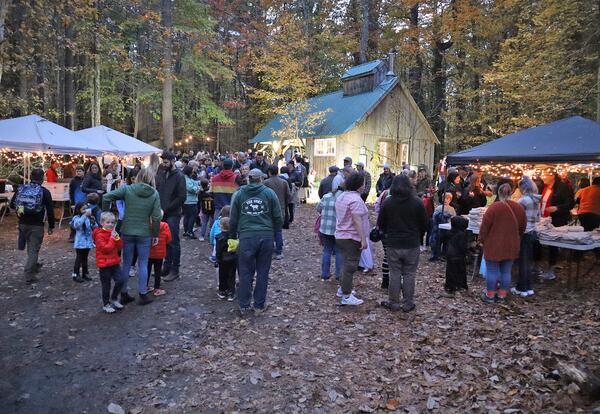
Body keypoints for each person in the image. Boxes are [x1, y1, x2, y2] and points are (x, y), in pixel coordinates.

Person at [102, 166, 162, 305]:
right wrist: (156, 234)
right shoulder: (154, 194)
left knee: (127, 263)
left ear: (139, 176)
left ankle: (123, 293)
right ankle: (142, 293)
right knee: (143, 263)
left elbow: (106, 197)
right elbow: (157, 217)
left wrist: (105, 217)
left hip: (127, 230)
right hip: (144, 232)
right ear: (151, 179)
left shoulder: (127, 189)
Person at [229, 169, 283, 316]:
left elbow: (232, 219)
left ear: (249, 179)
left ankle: (244, 305)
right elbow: (278, 216)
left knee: (245, 272)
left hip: (246, 237)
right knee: (263, 272)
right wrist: (275, 232)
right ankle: (259, 305)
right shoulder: (269, 194)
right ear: (260, 179)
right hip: (266, 236)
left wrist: (232, 236)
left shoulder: (239, 194)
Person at [377, 175, 428, 312]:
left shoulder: (388, 202)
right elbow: (424, 223)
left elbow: (380, 223)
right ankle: (408, 303)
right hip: (412, 242)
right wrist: (420, 236)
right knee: (409, 273)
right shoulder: (417, 202)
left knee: (395, 273)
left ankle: (393, 302)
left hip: (393, 243)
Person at [479, 183, 526, 304]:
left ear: (498, 193)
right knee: (506, 271)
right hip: (511, 244)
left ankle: (490, 295)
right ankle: (502, 295)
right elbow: (522, 227)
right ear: (511, 193)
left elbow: (485, 227)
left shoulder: (494, 208)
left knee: (492, 271)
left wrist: (481, 240)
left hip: (494, 244)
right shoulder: (519, 208)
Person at [11, 168, 55, 284]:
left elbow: (12, 205)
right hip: (36, 225)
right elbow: (50, 210)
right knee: (34, 249)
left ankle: (33, 266)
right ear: (42, 178)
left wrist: (22, 211)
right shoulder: (44, 191)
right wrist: (51, 226)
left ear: (31, 177)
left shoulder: (21, 189)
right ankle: (29, 275)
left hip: (22, 223)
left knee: (31, 248)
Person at [334, 172, 369, 305]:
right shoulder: (356, 200)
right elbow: (356, 220)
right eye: (364, 183)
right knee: (351, 266)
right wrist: (363, 239)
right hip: (351, 237)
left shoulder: (342, 196)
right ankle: (346, 296)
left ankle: (343, 289)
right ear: (360, 185)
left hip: (341, 235)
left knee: (345, 264)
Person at [155, 151, 186, 281]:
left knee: (173, 241)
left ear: (173, 161)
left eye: (166, 162)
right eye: (163, 161)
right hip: (162, 212)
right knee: (164, 240)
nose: (164, 164)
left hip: (172, 213)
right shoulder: (162, 173)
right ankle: (166, 267)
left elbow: (181, 197)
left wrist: (167, 208)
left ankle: (175, 270)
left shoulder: (179, 176)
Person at [539, 173, 575, 280]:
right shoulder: (545, 187)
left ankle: (551, 269)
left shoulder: (562, 187)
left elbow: (570, 204)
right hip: (544, 219)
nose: (542, 176)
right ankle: (547, 266)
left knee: (553, 244)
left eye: (545, 175)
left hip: (557, 219)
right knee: (545, 243)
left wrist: (557, 208)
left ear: (552, 176)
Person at [512, 176, 541, 297]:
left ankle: (521, 288)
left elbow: (515, 216)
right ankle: (529, 287)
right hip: (532, 232)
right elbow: (539, 218)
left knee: (522, 261)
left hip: (523, 232)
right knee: (528, 260)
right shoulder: (536, 200)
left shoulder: (523, 201)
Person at [92, 212, 125, 313]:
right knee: (106, 285)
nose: (110, 224)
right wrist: (112, 239)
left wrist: (117, 238)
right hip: (104, 264)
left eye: (112, 222)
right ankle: (106, 304)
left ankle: (114, 298)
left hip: (114, 262)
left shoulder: (113, 234)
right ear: (102, 223)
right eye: (108, 222)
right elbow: (106, 249)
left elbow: (119, 247)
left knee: (120, 280)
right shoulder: (99, 235)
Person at [316, 182, 342, 281]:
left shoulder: (326, 196)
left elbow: (318, 208)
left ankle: (325, 274)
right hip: (338, 229)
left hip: (325, 228)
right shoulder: (342, 198)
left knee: (327, 251)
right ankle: (338, 275)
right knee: (339, 252)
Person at [263, 164, 290, 259]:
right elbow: (288, 196)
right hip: (281, 209)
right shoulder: (284, 182)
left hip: (268, 211)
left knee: (269, 231)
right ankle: (279, 251)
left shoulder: (265, 183)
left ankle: (270, 250)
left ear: (269, 172)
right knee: (278, 231)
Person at [442, 216, 469, 298]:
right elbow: (462, 247)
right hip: (458, 256)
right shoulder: (461, 235)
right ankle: (458, 286)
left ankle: (450, 287)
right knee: (459, 271)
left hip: (450, 255)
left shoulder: (450, 232)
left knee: (450, 272)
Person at [70, 202, 96, 283]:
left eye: (86, 209)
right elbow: (77, 225)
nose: (85, 211)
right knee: (79, 258)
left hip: (87, 243)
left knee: (85, 259)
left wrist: (93, 223)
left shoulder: (88, 218)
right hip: (80, 243)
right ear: (78, 210)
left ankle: (85, 274)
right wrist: (85, 216)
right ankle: (75, 274)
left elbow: (93, 228)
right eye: (83, 209)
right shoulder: (76, 218)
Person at [147, 220, 172, 297]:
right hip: (159, 254)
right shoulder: (165, 226)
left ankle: (144, 286)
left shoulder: (147, 225)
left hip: (148, 253)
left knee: (147, 270)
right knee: (158, 271)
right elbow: (169, 239)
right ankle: (157, 289)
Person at [215, 217, 237, 301]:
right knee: (231, 275)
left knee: (222, 275)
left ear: (221, 226)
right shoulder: (234, 236)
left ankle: (222, 291)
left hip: (223, 259)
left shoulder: (219, 237)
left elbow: (218, 250)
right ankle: (231, 292)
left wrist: (217, 259)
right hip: (233, 258)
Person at [68, 165, 87, 242]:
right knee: (75, 219)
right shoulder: (73, 181)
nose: (78, 172)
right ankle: (72, 234)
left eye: (80, 171)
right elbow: (71, 193)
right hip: (76, 203)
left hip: (85, 202)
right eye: (77, 171)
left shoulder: (86, 180)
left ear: (83, 172)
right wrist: (72, 203)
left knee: (86, 219)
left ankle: (85, 234)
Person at [182, 165, 200, 238]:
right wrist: (198, 188)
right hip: (190, 201)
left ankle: (186, 231)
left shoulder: (185, 178)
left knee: (186, 216)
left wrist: (198, 184)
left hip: (186, 201)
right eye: (192, 171)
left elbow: (194, 182)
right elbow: (192, 188)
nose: (193, 173)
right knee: (192, 216)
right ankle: (189, 231)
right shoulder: (186, 180)